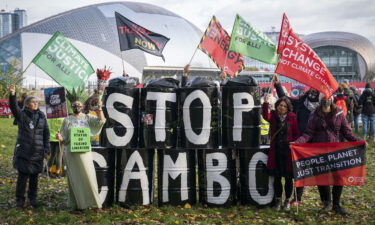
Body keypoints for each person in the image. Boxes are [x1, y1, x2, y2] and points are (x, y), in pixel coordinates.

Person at [295, 93, 360, 215]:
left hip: (336, 151)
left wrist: (357, 142)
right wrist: (297, 143)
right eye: (324, 98)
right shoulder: (314, 114)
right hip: (319, 151)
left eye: (328, 97)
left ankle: (336, 204)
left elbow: (346, 132)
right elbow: (308, 133)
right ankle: (326, 203)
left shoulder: (339, 113)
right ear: (320, 101)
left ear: (332, 99)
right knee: (321, 177)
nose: (326, 100)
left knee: (339, 177)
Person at [272, 74, 319, 206]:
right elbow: (287, 100)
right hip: (298, 144)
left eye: (316, 91)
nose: (313, 92)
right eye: (312, 89)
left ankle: (298, 197)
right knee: (297, 171)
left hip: (314, 144)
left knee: (309, 173)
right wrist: (277, 85)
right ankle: (293, 199)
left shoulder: (322, 108)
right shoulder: (302, 102)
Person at [56, 100, 105, 210]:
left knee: (89, 176)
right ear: (71, 107)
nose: (77, 107)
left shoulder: (87, 117)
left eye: (79, 105)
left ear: (82, 107)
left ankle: (93, 203)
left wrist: (100, 109)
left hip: (84, 152)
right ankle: (77, 204)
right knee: (75, 178)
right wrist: (60, 137)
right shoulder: (67, 120)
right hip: (71, 153)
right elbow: (63, 136)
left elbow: (101, 122)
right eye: (74, 105)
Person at [8, 85, 50, 208]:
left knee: (34, 178)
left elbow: (46, 134)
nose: (36, 103)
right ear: (27, 104)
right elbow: (14, 107)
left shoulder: (42, 116)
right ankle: (20, 200)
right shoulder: (22, 115)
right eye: (33, 102)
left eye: (37, 102)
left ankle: (33, 199)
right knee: (23, 177)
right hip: (24, 151)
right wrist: (12, 94)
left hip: (38, 152)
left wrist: (46, 149)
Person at [262, 95, 299, 210]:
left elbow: (296, 133)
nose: (282, 107)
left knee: (288, 179)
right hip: (276, 151)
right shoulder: (273, 116)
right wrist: (266, 103)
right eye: (280, 105)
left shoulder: (292, 117)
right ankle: (278, 200)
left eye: (284, 106)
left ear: (288, 108)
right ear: (277, 106)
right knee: (277, 178)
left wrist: (295, 144)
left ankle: (287, 201)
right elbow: (265, 115)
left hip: (288, 153)